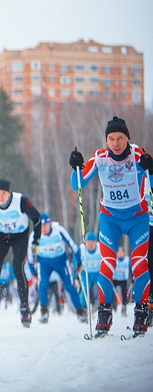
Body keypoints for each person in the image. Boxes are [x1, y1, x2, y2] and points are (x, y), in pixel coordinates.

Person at [69, 116, 152, 336]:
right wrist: (76, 166)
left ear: (128, 138)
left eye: (120, 138)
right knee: (107, 264)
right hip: (110, 219)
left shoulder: (139, 156)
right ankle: (104, 313)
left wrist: (150, 170)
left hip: (138, 217)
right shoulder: (100, 157)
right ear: (106, 140)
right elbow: (77, 183)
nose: (115, 143)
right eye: (111, 138)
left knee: (139, 265)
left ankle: (141, 312)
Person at [0, 178, 41, 327]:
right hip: (0, 236)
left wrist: (36, 241)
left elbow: (37, 219)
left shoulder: (21, 201)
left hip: (20, 235)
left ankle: (25, 309)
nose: (0, 197)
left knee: (18, 267)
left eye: (3, 193)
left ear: (9, 193)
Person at [27, 212, 87, 324]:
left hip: (61, 261)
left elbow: (73, 246)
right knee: (43, 285)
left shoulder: (58, 229)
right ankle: (44, 312)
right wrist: (33, 272)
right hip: (44, 263)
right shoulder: (35, 235)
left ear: (50, 223)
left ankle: (80, 311)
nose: (43, 228)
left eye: (45, 225)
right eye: (41, 226)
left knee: (69, 286)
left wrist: (79, 263)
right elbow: (31, 256)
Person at [77, 231, 101, 308]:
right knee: (85, 288)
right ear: (85, 243)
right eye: (88, 242)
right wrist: (76, 272)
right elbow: (76, 261)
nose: (90, 244)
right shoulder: (81, 249)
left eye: (92, 242)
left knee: (100, 288)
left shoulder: (100, 248)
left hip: (97, 272)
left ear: (95, 242)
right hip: (85, 272)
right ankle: (83, 307)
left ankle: (101, 305)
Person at [112, 246, 130, 316]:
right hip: (115, 278)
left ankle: (124, 307)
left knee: (124, 293)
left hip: (123, 279)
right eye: (119, 252)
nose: (120, 253)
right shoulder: (114, 259)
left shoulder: (127, 260)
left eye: (122, 252)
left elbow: (131, 269)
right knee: (113, 293)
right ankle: (114, 307)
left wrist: (132, 279)